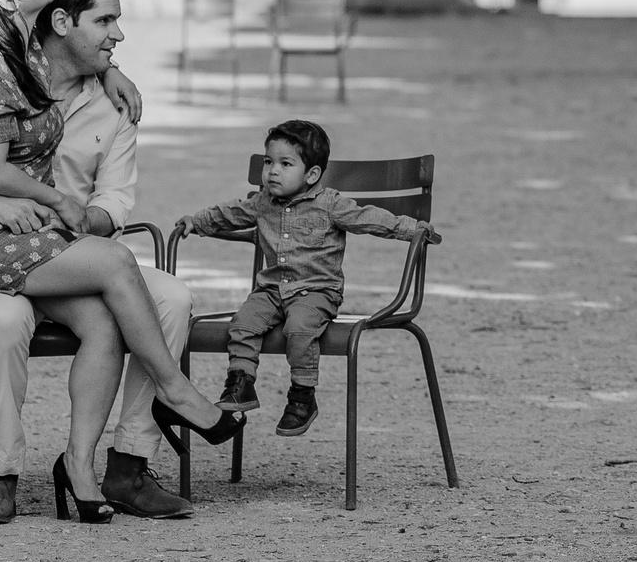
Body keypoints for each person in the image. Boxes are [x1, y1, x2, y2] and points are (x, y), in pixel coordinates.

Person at [0, 0, 239, 523]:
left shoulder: (104, 99)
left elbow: (115, 202)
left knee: (169, 298)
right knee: (13, 315)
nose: (119, 35)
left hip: (64, 251)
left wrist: (106, 69)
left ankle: (117, 464)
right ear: (59, 22)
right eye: (107, 22)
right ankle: (1, 472)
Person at [173, 119, 439, 438]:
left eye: (286, 164)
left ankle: (302, 396)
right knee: (242, 324)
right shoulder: (261, 203)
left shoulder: (331, 204)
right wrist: (196, 221)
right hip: (271, 290)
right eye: (269, 161)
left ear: (311, 174)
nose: (273, 171)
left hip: (317, 293)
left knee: (299, 328)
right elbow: (228, 213)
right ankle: (240, 385)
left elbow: (369, 218)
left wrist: (412, 230)